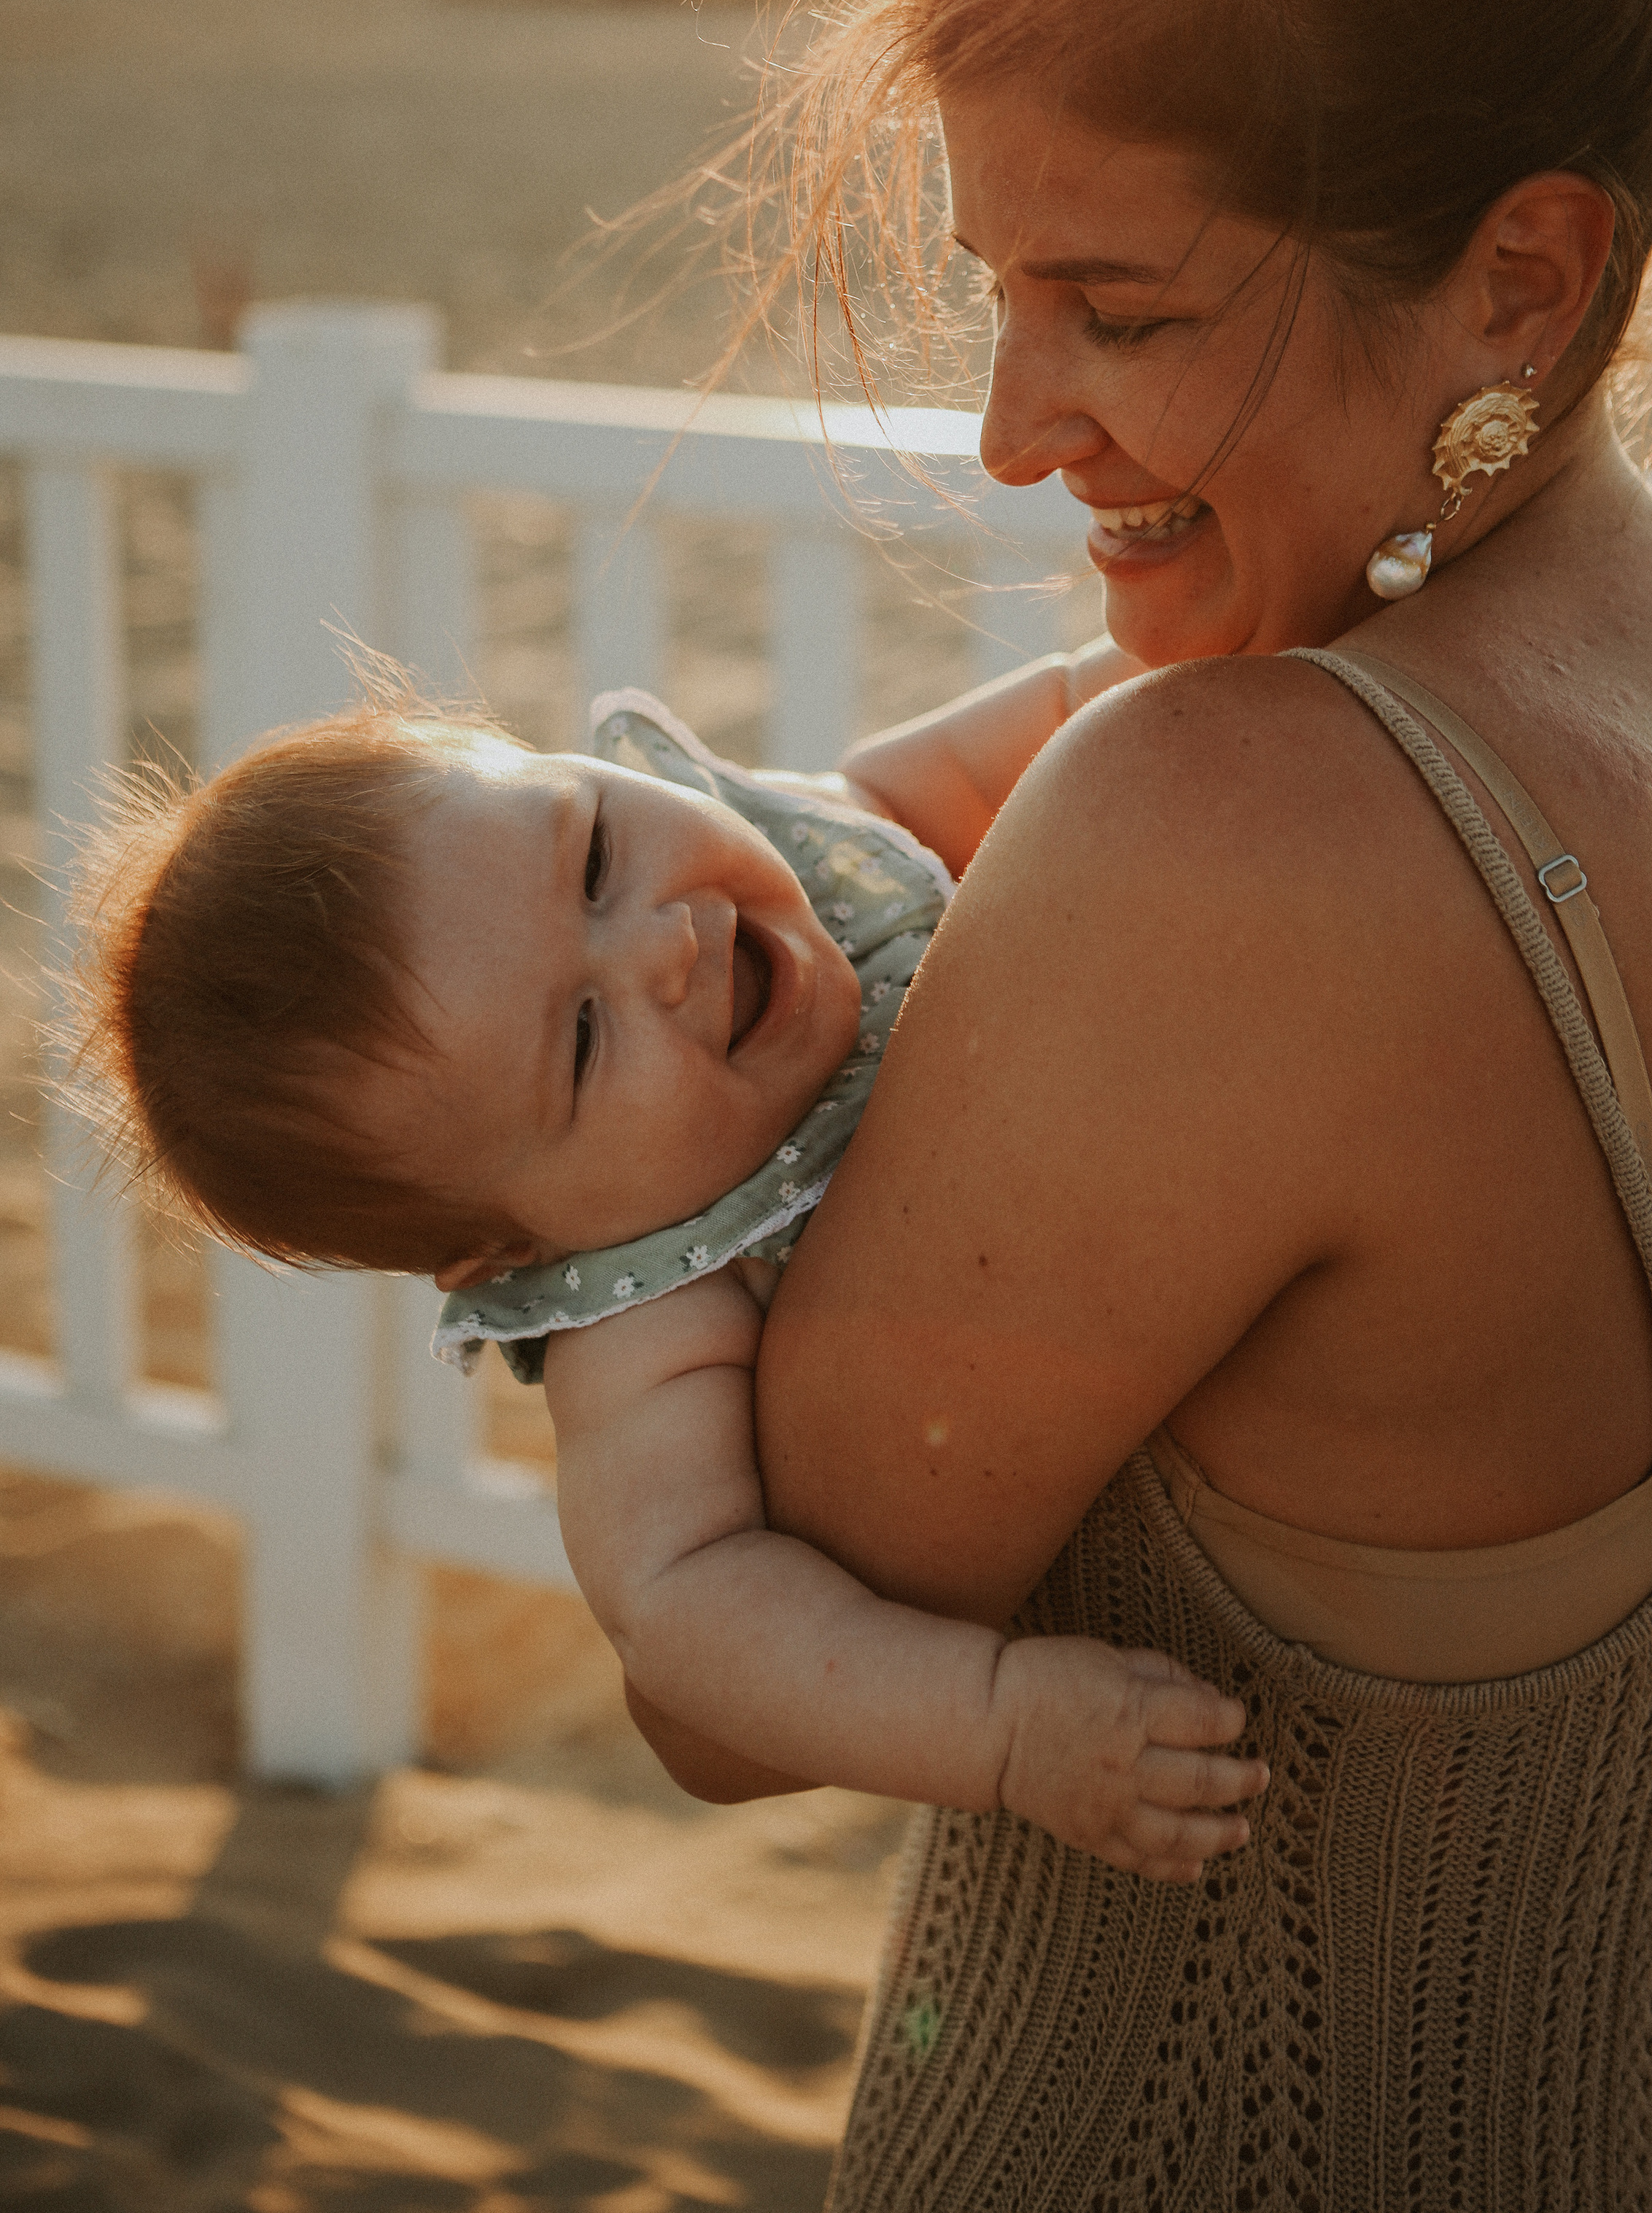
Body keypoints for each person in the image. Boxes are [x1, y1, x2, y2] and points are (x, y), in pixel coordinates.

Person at [570, 0, 1652, 2209]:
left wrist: (565, 1138)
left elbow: (727, 1690)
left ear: (1523, 277)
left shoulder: (1238, 820)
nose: (1009, 427)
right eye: (994, 290)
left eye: (1124, 311)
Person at [65, 662, 1263, 1880]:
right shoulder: (654, 1314)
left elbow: (1079, 724)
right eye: (584, 1040)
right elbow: (688, 1613)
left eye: (592, 855)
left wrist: (1198, 660)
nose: (668, 941)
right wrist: (1000, 1725)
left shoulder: (823, 840)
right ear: (517, 1247)